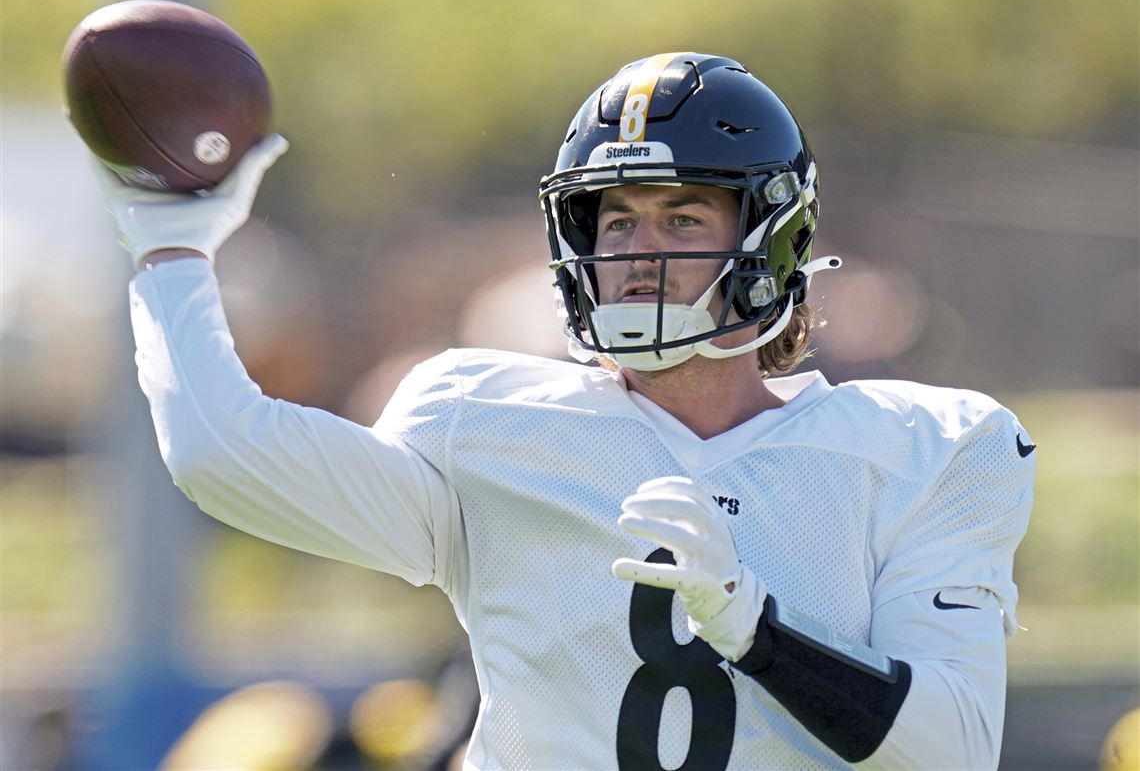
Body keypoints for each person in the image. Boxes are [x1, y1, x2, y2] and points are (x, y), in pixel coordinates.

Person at [95, 52, 1035, 769]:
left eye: (681, 218)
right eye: (615, 220)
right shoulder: (486, 423)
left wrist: (755, 629)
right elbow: (223, 455)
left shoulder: (929, 448)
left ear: (769, 237)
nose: (636, 251)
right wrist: (173, 253)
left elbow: (950, 748)